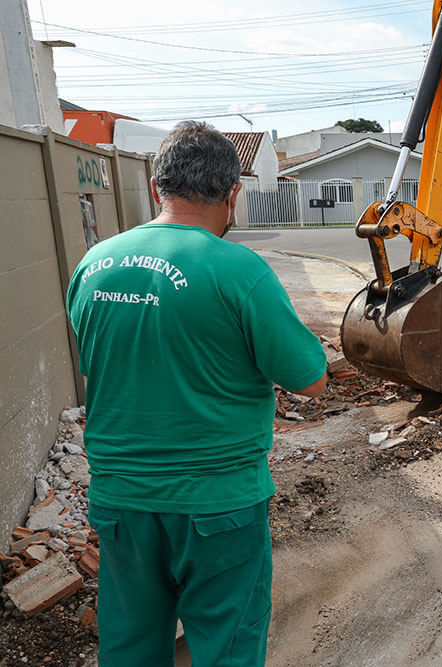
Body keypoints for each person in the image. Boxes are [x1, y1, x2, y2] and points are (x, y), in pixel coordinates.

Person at [65, 121, 328, 666]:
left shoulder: (93, 265)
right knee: (227, 646)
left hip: (121, 500)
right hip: (219, 505)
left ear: (157, 189)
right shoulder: (240, 271)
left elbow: (100, 363)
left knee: (130, 644)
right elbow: (310, 379)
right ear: (233, 195)